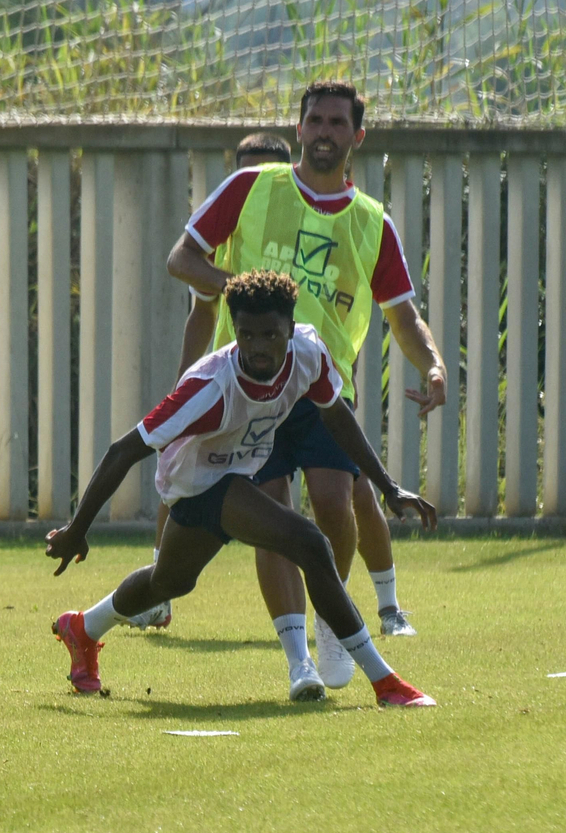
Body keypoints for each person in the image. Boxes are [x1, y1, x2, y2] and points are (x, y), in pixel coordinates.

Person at [162, 82, 448, 697]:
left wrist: (433, 366)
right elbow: (182, 258)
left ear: (357, 137)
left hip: (319, 386)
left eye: (336, 123)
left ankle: (329, 619)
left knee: (335, 504)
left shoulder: (372, 222)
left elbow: (403, 315)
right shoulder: (252, 186)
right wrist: (232, 284)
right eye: (314, 120)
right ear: (298, 130)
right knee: (273, 516)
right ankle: (299, 663)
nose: (323, 131)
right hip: (247, 386)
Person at [45, 270, 437, 708]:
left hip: (238, 472)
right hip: (195, 485)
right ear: (234, 331)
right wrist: (77, 529)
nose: (258, 348)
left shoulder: (310, 353)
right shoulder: (209, 387)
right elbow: (123, 451)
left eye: (270, 335)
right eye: (247, 335)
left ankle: (83, 628)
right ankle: (385, 683)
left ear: (290, 328)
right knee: (310, 544)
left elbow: (335, 415)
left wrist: (387, 485)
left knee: (168, 581)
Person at [130, 133, 294, 630]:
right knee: (180, 481)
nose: (250, 186)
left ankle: (369, 607)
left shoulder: (298, 229)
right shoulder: (224, 247)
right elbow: (201, 311)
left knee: (324, 492)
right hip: (231, 388)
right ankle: (159, 585)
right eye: (242, 175)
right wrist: (184, 381)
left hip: (289, 384)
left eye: (264, 175)